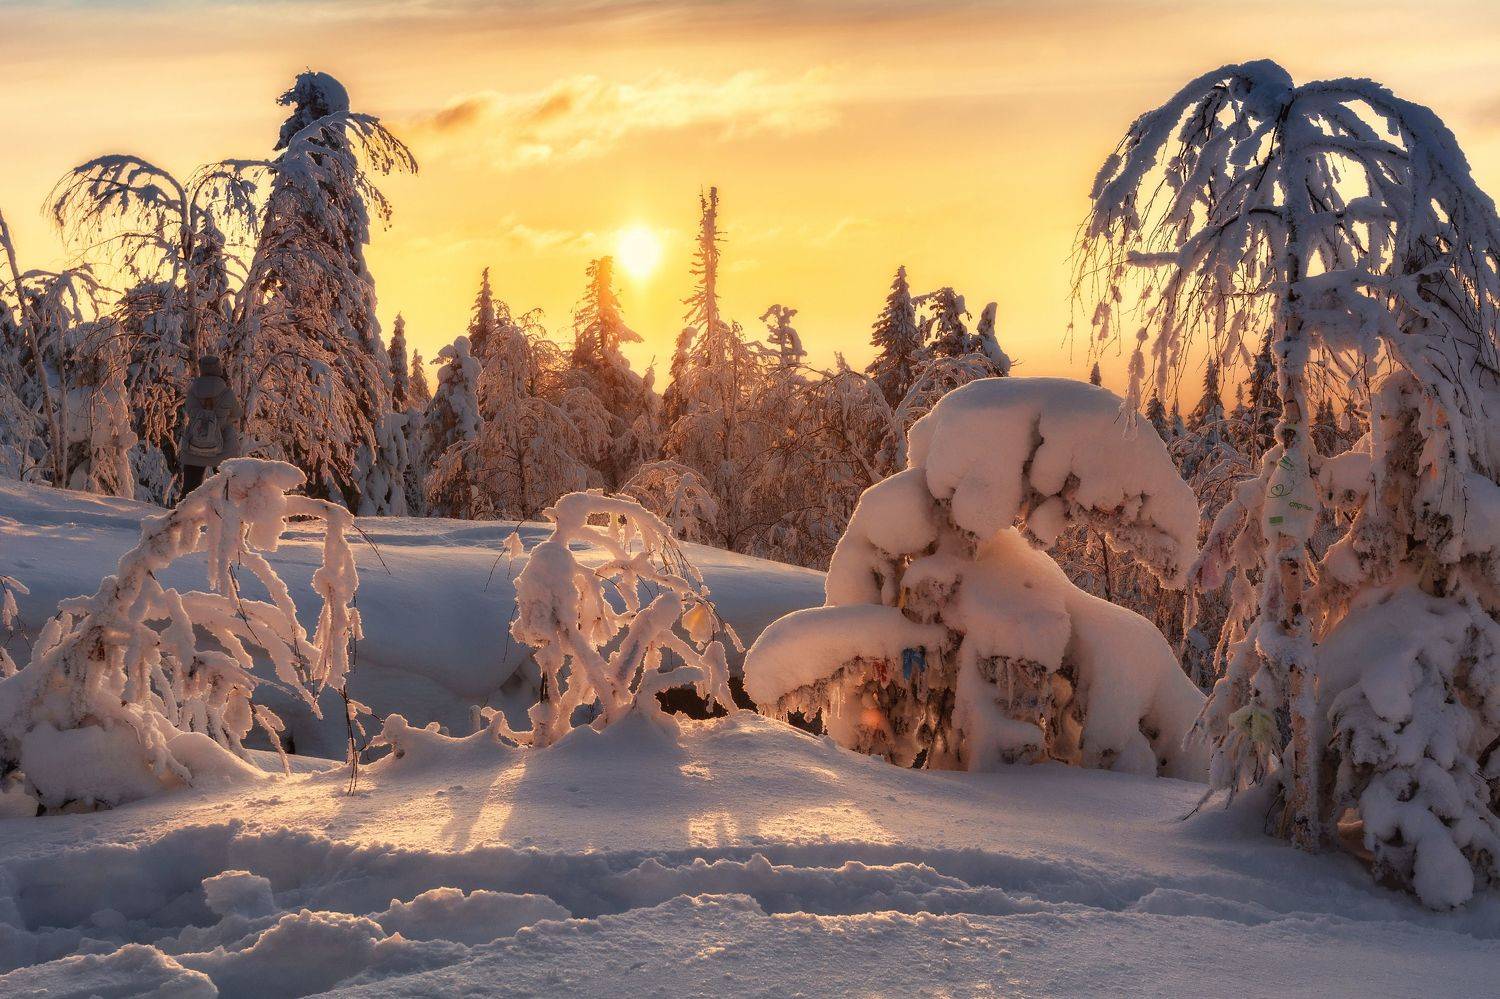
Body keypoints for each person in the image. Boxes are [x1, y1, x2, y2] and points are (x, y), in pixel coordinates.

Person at [178, 355, 241, 494]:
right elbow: (237, 414)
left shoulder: (193, 392)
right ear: (218, 370)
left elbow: (189, 411)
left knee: (190, 489)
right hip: (223, 444)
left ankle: (184, 513)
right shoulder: (226, 392)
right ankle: (223, 514)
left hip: (195, 442)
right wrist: (221, 423)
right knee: (226, 489)